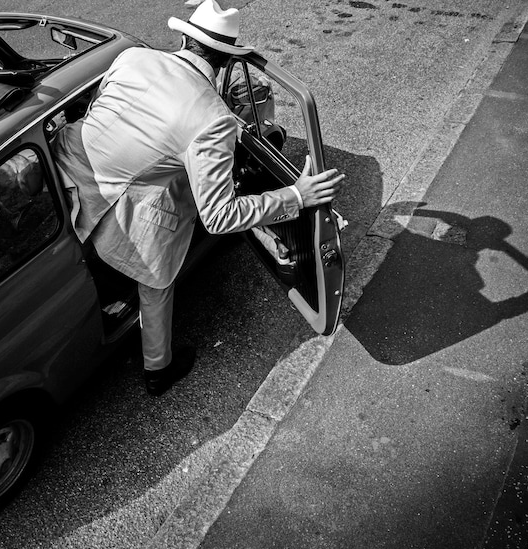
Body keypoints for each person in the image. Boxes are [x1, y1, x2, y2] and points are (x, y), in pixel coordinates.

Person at [52, 0, 344, 396]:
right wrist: (296, 195)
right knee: (155, 285)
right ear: (226, 60)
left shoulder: (132, 57)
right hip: (116, 204)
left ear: (186, 36)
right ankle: (158, 369)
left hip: (62, 167)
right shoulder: (212, 119)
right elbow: (219, 216)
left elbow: (109, 111)